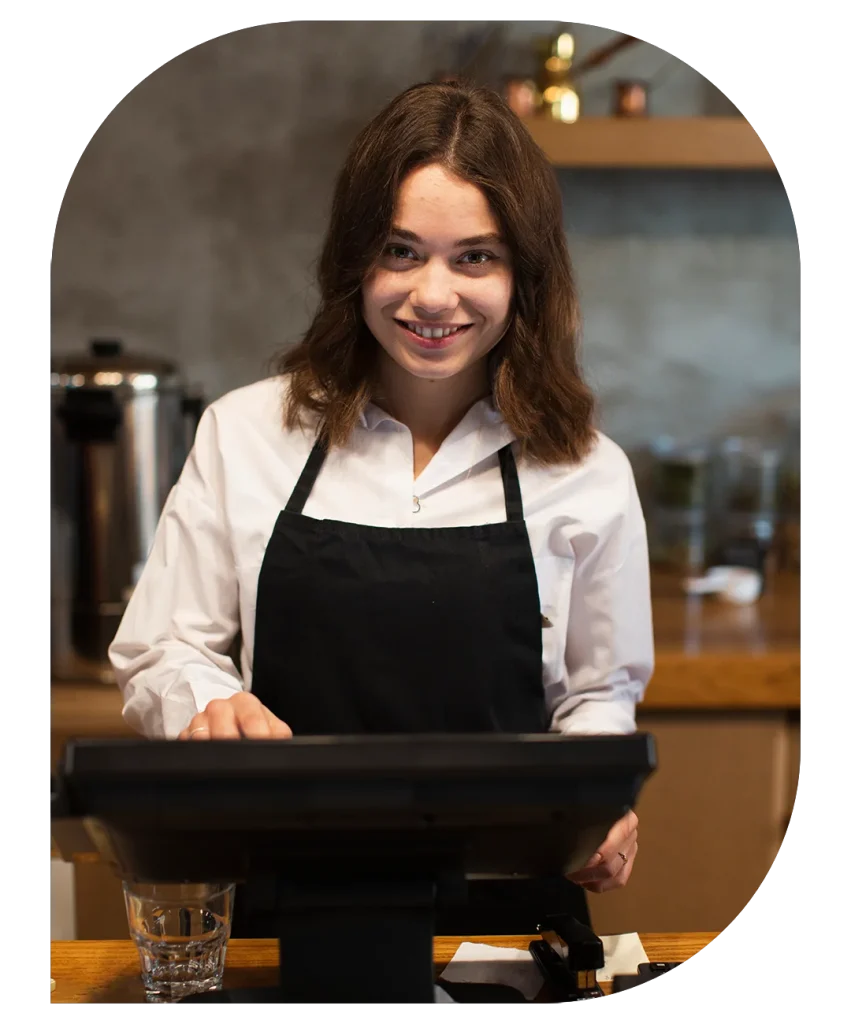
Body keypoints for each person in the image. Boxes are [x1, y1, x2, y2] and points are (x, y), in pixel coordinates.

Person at [108, 78, 654, 938]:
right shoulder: (246, 434)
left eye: (475, 256)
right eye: (401, 251)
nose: (432, 296)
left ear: (525, 275)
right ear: (353, 260)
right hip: (276, 923)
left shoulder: (585, 470)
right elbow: (162, 648)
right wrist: (204, 707)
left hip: (507, 931)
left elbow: (596, 696)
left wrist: (596, 804)